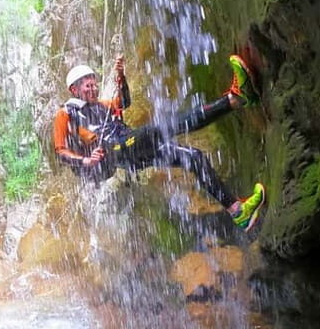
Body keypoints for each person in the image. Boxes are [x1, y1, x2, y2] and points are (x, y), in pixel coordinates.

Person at [53, 54, 266, 231]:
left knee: (193, 157)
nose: (93, 89)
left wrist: (121, 76)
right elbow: (60, 151)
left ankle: (239, 213)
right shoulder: (66, 114)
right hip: (117, 151)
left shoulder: (102, 105)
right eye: (88, 86)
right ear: (74, 90)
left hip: (132, 149)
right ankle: (234, 99)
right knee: (160, 128)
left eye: (94, 84)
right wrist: (86, 161)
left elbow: (124, 102)